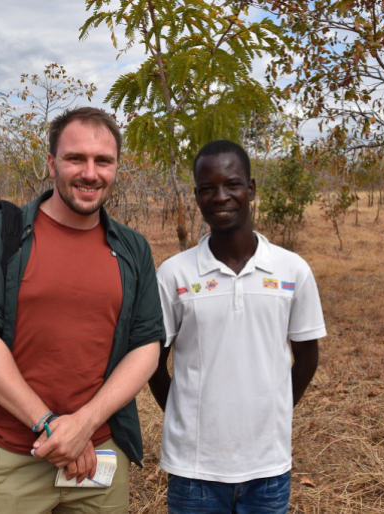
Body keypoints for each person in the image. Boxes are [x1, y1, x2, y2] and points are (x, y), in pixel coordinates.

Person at [0, 106, 165, 514]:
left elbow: (146, 346)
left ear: (117, 168)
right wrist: (50, 426)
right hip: (14, 455)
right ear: (51, 164)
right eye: (75, 158)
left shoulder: (133, 249)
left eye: (103, 161)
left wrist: (83, 425)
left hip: (99, 459)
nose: (90, 173)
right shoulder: (4, 232)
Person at [149, 140, 326, 514]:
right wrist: (184, 419)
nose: (220, 196)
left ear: (251, 188)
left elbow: (307, 358)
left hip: (268, 466)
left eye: (232, 184)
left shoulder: (292, 270)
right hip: (193, 470)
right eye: (207, 188)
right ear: (196, 195)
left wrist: (274, 412)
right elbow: (153, 364)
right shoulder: (173, 274)